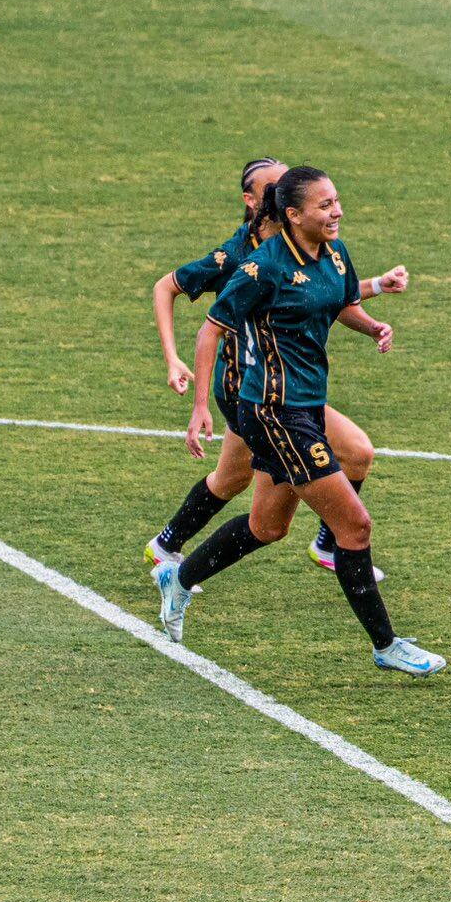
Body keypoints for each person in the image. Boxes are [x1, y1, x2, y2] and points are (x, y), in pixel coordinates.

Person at [154, 166, 445, 676]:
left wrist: (371, 323)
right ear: (293, 215)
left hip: (308, 403)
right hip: (273, 409)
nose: (336, 212)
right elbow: (210, 332)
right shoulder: (260, 268)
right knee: (354, 525)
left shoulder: (335, 253)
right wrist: (202, 406)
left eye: (336, 202)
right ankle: (386, 644)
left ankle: (178, 579)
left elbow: (339, 303)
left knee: (268, 525)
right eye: (325, 206)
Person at [145, 159, 397, 586]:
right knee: (238, 485)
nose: (285, 193)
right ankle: (172, 554)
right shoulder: (242, 256)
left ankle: (171, 548)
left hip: (288, 389)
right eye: (275, 189)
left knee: (345, 455)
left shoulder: (311, 241)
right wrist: (175, 362)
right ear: (254, 200)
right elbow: (168, 289)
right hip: (249, 389)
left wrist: (373, 297)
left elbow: (317, 292)